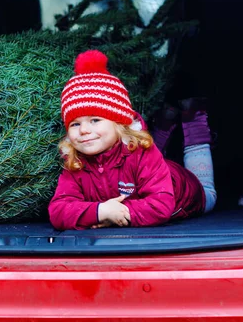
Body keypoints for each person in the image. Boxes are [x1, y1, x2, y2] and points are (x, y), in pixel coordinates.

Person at [48, 50, 217, 230]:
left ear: (119, 124)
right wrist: (101, 211)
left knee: (209, 193)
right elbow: (58, 210)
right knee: (147, 151)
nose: (83, 130)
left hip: (189, 191)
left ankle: (194, 119)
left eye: (95, 120)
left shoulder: (142, 154)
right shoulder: (76, 163)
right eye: (74, 124)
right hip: (152, 172)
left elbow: (160, 206)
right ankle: (166, 120)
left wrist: (117, 214)